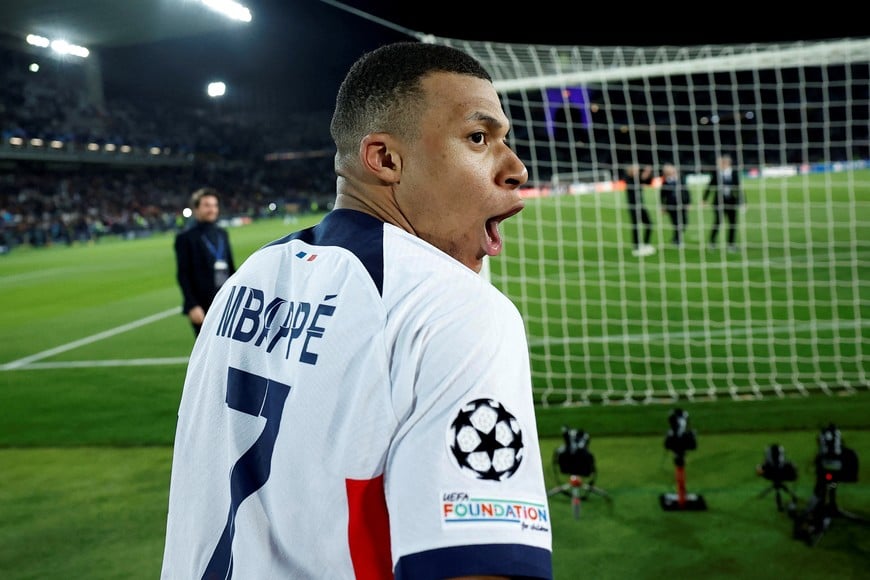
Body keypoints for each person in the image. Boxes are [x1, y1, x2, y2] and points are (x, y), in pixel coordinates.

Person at [160, 42, 553, 580]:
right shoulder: (452, 308)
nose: (516, 168)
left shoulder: (244, 282)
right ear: (385, 159)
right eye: (478, 138)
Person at [173, 187, 236, 337]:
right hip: (202, 304)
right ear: (196, 209)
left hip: (225, 299)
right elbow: (183, 274)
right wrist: (192, 305)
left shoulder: (222, 233)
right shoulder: (185, 237)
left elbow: (231, 268)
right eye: (207, 205)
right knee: (207, 349)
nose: (212, 209)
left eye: (214, 205)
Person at [703, 154, 742, 252]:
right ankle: (712, 242)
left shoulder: (734, 173)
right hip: (719, 202)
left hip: (731, 202)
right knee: (718, 222)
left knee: (733, 223)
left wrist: (742, 201)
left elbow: (738, 188)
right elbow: (709, 186)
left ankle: (731, 244)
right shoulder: (717, 174)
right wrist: (704, 199)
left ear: (728, 163)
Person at [623, 163, 655, 257]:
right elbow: (635, 184)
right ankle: (636, 247)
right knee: (636, 226)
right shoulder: (628, 179)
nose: (637, 172)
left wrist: (648, 174)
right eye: (636, 170)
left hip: (641, 205)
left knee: (649, 224)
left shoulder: (637, 178)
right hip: (633, 206)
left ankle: (646, 244)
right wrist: (643, 176)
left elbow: (648, 182)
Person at [659, 163, 691, 247]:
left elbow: (686, 191)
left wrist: (688, 202)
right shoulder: (665, 182)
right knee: (676, 223)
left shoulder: (680, 179)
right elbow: (662, 195)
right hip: (671, 205)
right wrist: (663, 206)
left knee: (684, 222)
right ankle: (678, 241)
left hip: (682, 204)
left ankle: (675, 238)